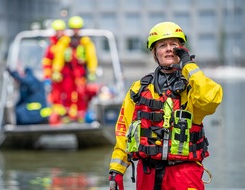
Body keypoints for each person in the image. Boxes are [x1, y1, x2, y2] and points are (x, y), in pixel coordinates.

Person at [108, 21, 223, 190]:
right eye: (163, 45)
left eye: (174, 45)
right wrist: (116, 170)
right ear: (155, 53)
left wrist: (188, 65)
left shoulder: (193, 88)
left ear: (182, 50)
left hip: (184, 174)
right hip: (148, 173)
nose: (169, 49)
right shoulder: (139, 89)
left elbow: (210, 100)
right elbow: (123, 130)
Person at [53, 16, 98, 122]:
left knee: (81, 94)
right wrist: (56, 70)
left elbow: (92, 57)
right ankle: (68, 115)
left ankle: (81, 115)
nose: (75, 31)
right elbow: (58, 57)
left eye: (77, 28)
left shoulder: (86, 42)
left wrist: (92, 71)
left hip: (80, 72)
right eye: (74, 28)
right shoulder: (65, 42)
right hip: (68, 72)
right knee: (67, 93)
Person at [41, 19, 68, 124]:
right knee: (55, 97)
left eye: (61, 31)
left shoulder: (68, 44)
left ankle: (69, 116)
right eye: (57, 31)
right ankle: (57, 117)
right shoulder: (52, 46)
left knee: (69, 96)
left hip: (68, 75)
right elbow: (47, 62)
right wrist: (47, 77)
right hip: (55, 77)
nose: (59, 33)